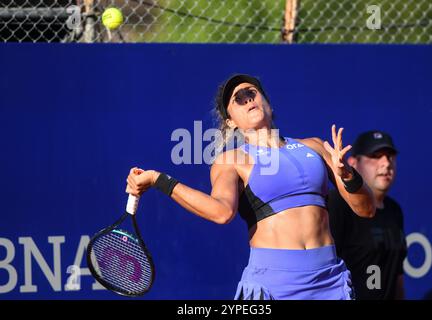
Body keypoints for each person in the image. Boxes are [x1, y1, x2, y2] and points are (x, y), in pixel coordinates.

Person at [125, 74, 376, 300]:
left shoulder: (315, 147)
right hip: (273, 286)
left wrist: (347, 174)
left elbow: (366, 210)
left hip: (329, 280)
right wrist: (160, 180)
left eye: (252, 93)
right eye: (238, 99)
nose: (248, 100)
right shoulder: (231, 160)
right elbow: (221, 212)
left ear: (268, 102)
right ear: (230, 122)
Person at [327, 131, 407, 300]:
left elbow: (397, 276)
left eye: (390, 156)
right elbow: (324, 270)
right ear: (353, 163)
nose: (386, 163)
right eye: (375, 156)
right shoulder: (336, 204)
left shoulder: (394, 210)